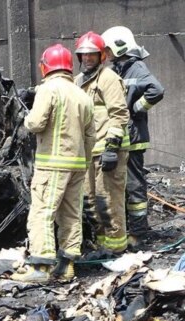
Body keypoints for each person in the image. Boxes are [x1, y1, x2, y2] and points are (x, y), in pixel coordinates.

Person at [11, 44, 95, 283]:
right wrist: (85, 162)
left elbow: (36, 124)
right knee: (71, 214)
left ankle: (40, 266)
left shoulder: (49, 89)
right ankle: (66, 266)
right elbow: (91, 135)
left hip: (52, 164)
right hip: (78, 164)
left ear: (45, 66)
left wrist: (24, 118)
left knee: (42, 213)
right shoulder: (82, 94)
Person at [101, 26, 165, 247]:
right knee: (124, 184)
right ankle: (131, 228)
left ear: (119, 48)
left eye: (107, 50)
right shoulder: (120, 69)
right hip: (123, 136)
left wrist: (136, 109)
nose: (105, 55)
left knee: (134, 185)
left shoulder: (136, 68)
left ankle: (138, 233)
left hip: (134, 139)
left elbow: (156, 90)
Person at [74, 31, 130, 254]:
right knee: (90, 201)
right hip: (88, 153)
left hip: (108, 152)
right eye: (83, 55)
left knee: (108, 201)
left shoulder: (108, 79)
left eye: (92, 55)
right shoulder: (79, 81)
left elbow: (119, 114)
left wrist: (111, 148)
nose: (87, 59)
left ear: (101, 56)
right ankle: (101, 245)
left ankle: (116, 249)